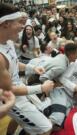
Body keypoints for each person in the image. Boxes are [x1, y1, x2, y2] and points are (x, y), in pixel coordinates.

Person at [0, 3, 54, 135]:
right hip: (10, 97)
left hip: (19, 88)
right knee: (45, 128)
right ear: (6, 24)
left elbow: (14, 62)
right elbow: (9, 90)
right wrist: (41, 88)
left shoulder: (9, 41)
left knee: (24, 119)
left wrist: (32, 68)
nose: (23, 26)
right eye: (19, 22)